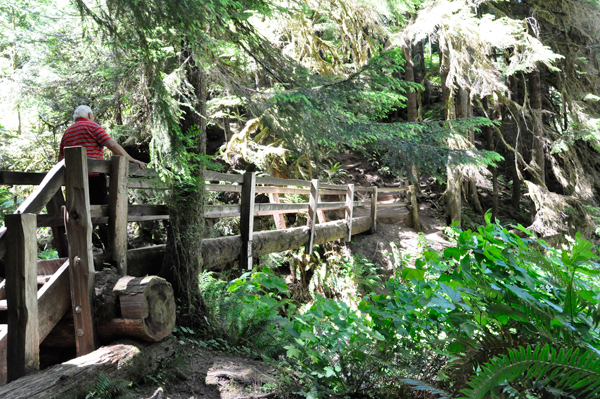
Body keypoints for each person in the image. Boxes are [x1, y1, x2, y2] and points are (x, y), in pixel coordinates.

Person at [59, 105, 147, 205]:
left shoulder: (67, 132)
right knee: (99, 208)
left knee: (78, 208)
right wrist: (132, 160)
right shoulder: (93, 127)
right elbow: (112, 145)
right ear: (89, 115)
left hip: (73, 179)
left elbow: (61, 159)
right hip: (94, 177)